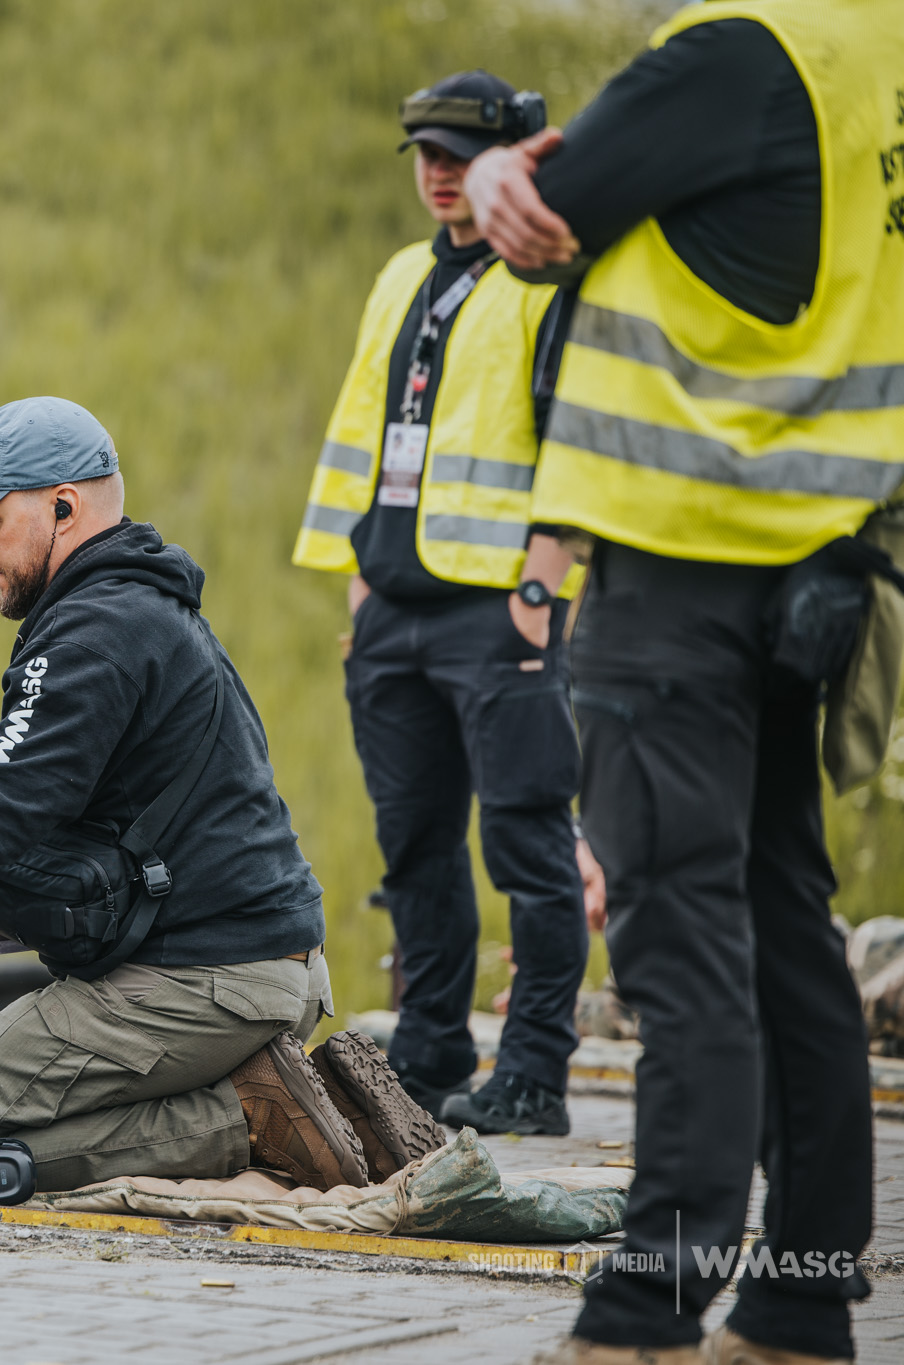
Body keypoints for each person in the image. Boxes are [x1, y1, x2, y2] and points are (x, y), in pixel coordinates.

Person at [462, 3, 904, 1361]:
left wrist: (491, 177)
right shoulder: (880, 65)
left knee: (683, 935)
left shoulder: (739, 52)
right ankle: (801, 1294)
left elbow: (542, 213)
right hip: (813, 568)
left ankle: (646, 1306)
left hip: (678, 555)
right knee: (782, 927)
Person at [0, 395, 443, 1193]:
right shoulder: (127, 608)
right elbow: (4, 765)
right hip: (263, 967)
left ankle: (248, 1115)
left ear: (64, 507)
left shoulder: (97, 631)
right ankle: (270, 1092)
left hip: (209, 978)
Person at [293, 70, 591, 1136]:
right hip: (392, 616)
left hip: (495, 614)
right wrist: (358, 577)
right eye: (421, 152)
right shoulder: (396, 277)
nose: (435, 171)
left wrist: (536, 589)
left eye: (456, 153)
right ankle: (426, 1050)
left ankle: (535, 1074)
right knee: (413, 847)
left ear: (508, 157)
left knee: (524, 846)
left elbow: (578, 437)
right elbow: (360, 431)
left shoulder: (547, 281)